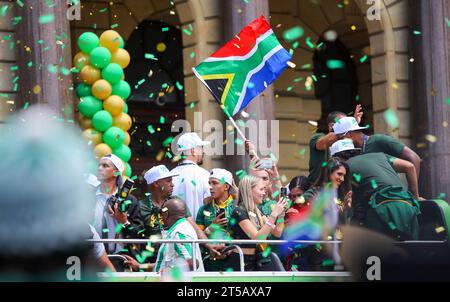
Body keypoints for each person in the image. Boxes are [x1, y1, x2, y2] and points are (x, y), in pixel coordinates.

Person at [331, 139, 422, 240]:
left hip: (381, 209)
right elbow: (410, 166)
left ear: (337, 158)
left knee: (376, 253)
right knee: (412, 250)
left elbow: (352, 207)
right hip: (408, 205)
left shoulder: (346, 168)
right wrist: (416, 199)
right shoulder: (380, 155)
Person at [139, 164, 222, 264]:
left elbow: (195, 228)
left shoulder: (176, 202)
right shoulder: (141, 206)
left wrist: (210, 245)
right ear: (156, 184)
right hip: (151, 261)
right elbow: (137, 236)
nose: (173, 184)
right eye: (168, 181)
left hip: (178, 260)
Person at [283, 159, 352, 271]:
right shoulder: (313, 193)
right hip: (315, 254)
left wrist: (345, 210)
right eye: (339, 174)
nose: (342, 179)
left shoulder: (342, 196)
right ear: (329, 172)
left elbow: (343, 225)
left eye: (344, 175)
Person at [125, 197, 204, 272]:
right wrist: (139, 266)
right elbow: (163, 265)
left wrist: (170, 269)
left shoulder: (179, 233)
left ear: (166, 214)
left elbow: (192, 263)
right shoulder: (179, 229)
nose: (161, 217)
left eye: (161, 214)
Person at [227, 175, 287, 271]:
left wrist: (281, 216)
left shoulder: (257, 211)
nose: (264, 193)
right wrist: (273, 214)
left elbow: (277, 232)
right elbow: (257, 238)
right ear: (249, 191)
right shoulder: (239, 211)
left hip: (254, 260)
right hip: (239, 261)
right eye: (261, 189)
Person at [333, 116, 421, 178]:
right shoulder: (350, 152)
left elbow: (414, 158)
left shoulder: (379, 140)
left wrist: (413, 194)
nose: (339, 142)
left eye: (339, 138)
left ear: (349, 134)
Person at [92, 154, 144, 255]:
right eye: (99, 165)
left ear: (116, 172)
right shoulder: (88, 197)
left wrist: (124, 221)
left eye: (105, 166)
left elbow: (139, 234)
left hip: (121, 258)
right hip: (92, 258)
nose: (99, 168)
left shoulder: (130, 201)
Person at [307, 105, 363, 186]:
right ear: (331, 126)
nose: (347, 129)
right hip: (317, 189)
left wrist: (353, 125)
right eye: (343, 123)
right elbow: (325, 141)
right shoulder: (317, 138)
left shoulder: (345, 142)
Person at [196, 168, 237, 271]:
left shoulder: (238, 207)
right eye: (209, 183)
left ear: (226, 186)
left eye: (215, 183)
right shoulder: (203, 209)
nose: (210, 187)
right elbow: (197, 237)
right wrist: (211, 228)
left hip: (234, 259)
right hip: (210, 261)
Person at [171, 132, 211, 218]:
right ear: (193, 151)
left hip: (174, 230)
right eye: (201, 148)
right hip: (199, 229)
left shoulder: (169, 176)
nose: (203, 152)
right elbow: (210, 207)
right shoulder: (205, 176)